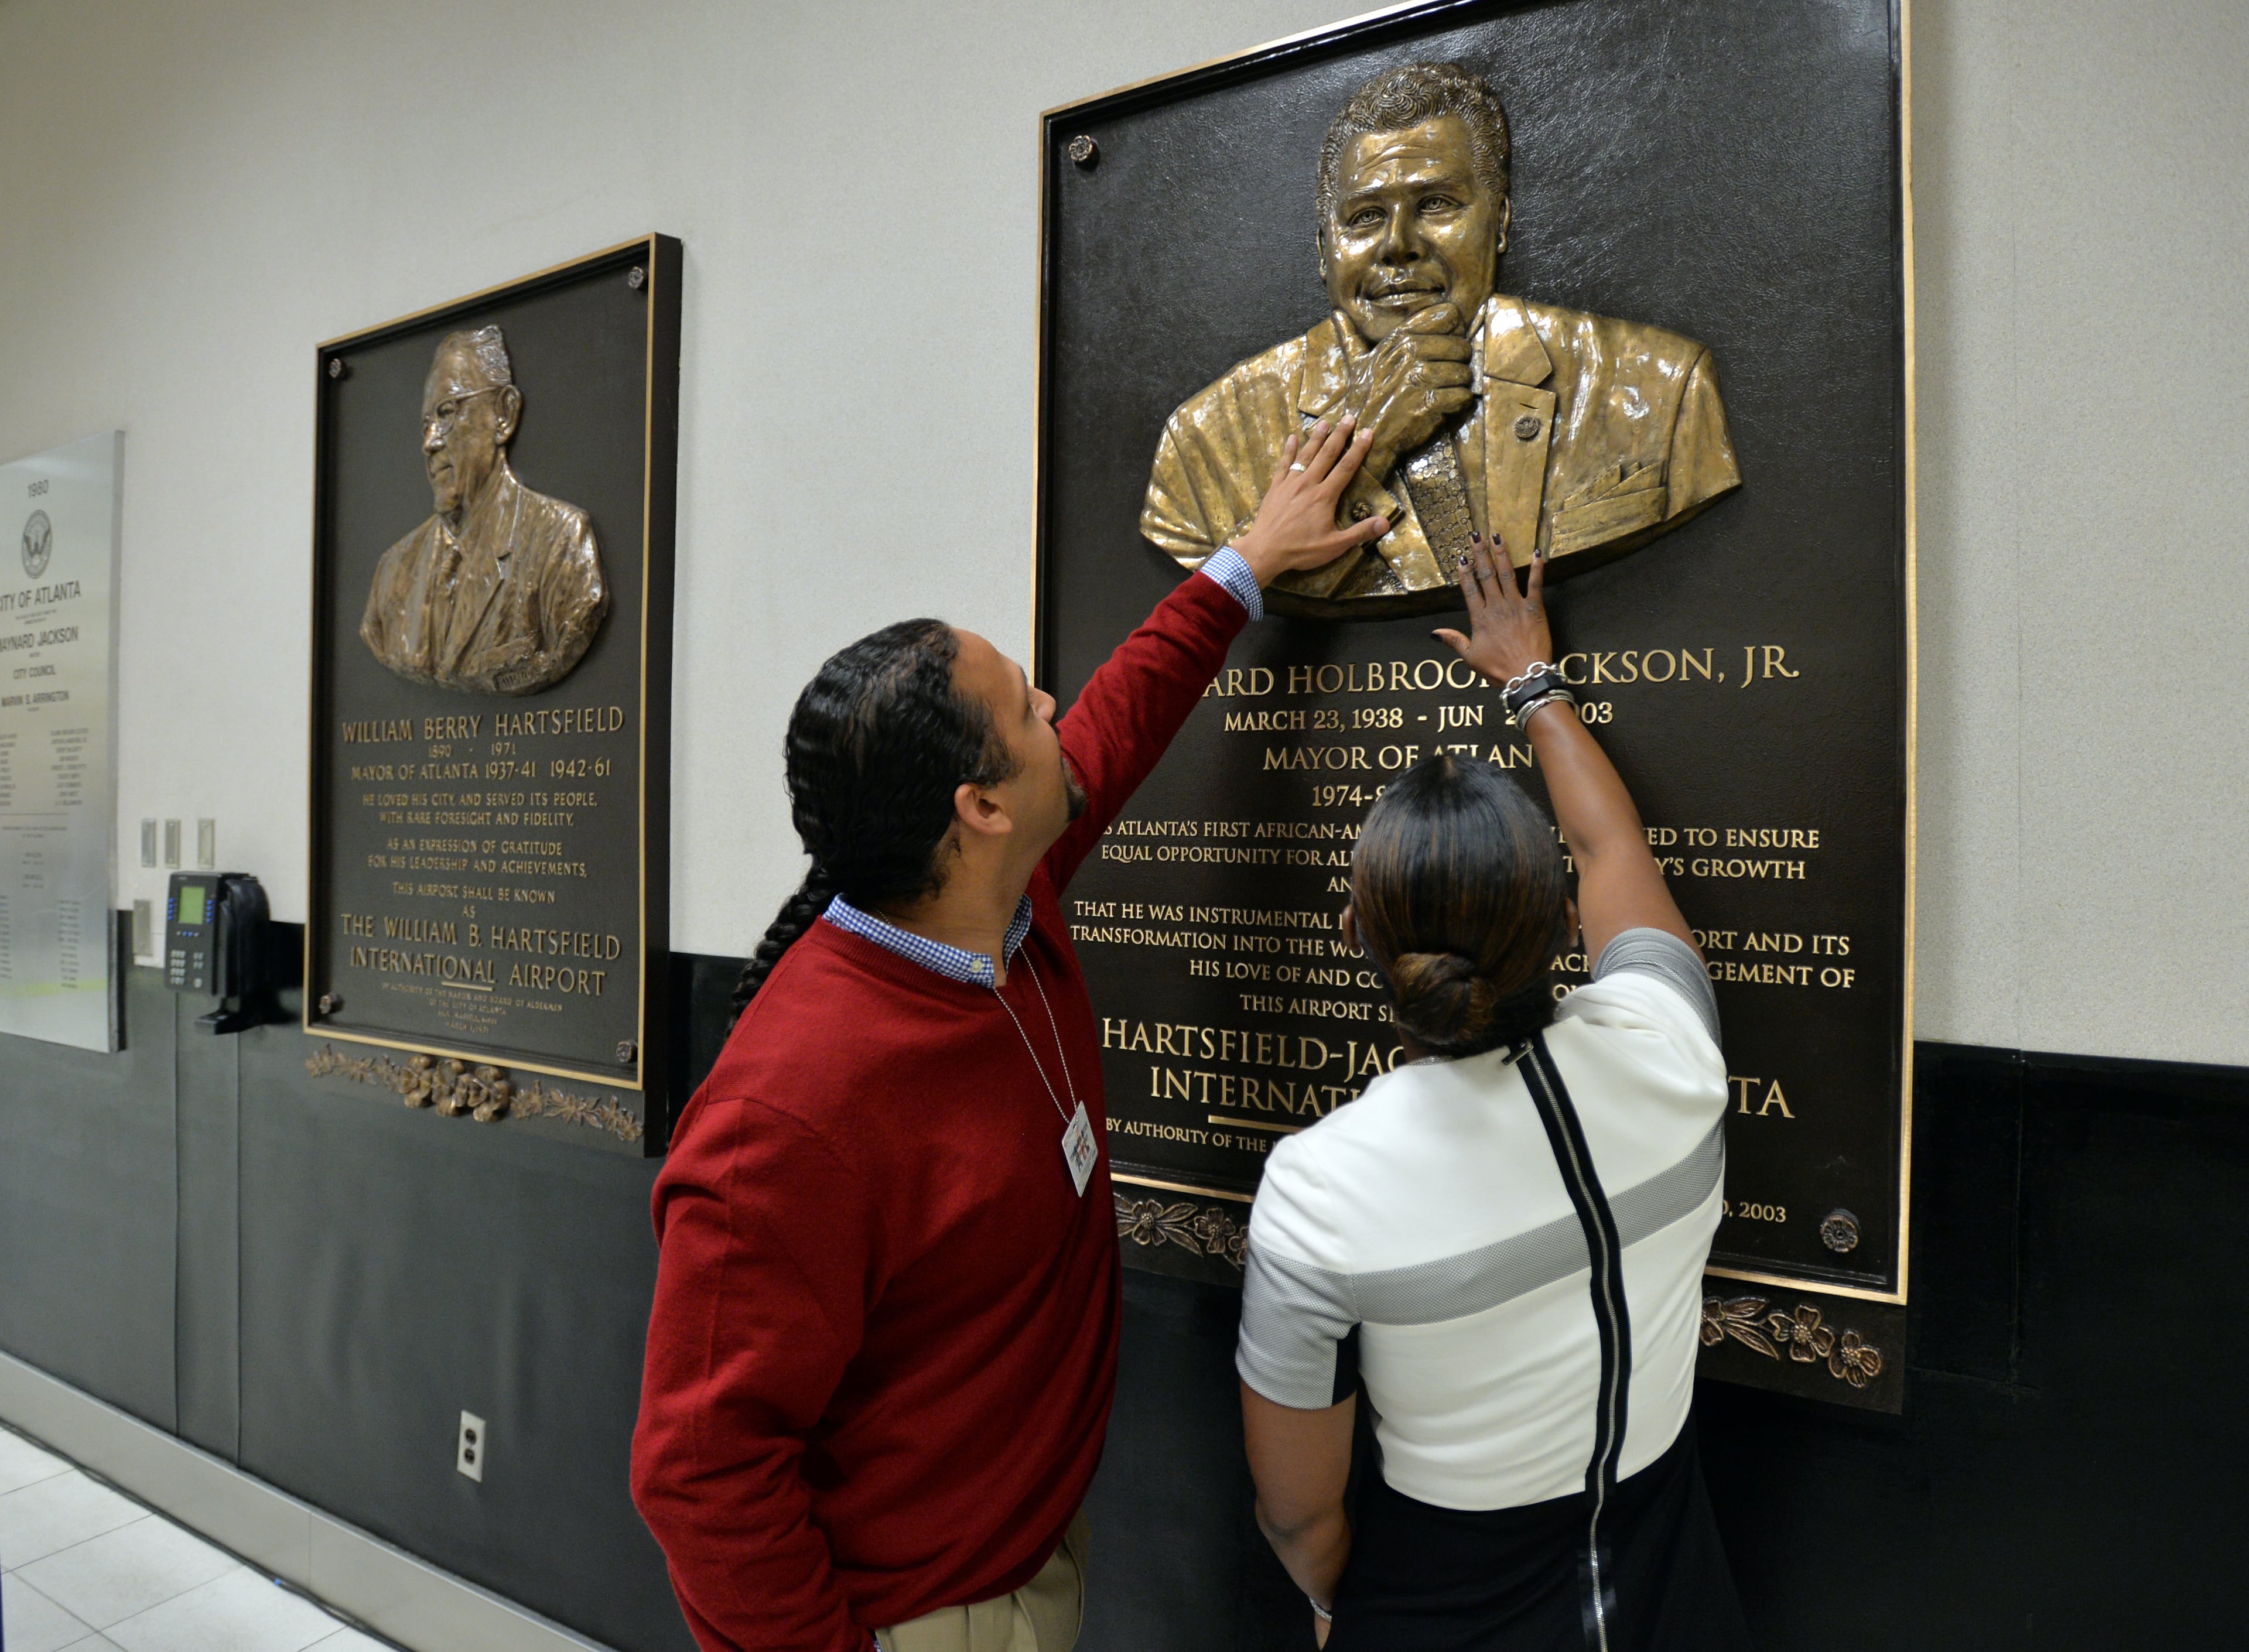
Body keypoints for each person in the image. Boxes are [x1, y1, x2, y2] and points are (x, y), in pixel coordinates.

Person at [631, 420, 1391, 1652]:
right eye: (1025, 708)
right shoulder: (786, 1116)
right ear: (979, 808)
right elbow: (699, 1473)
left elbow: (1113, 728)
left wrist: (1245, 564)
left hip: (1029, 1545)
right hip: (929, 1615)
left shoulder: (1000, 896)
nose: (1054, 704)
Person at [1236, 536, 1746, 1648]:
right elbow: (1612, 847)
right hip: (1669, 1582)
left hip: (1444, 1603)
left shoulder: (1318, 1189)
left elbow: (1298, 1506)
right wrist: (1533, 683)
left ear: (1353, 940)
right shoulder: (1671, 1053)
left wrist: (1337, 1602)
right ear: (1564, 926)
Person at [1141, 61, 1739, 613]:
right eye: (1365, 216)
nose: (1398, 243)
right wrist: (1366, 444)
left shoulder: (1661, 390)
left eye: (1435, 204)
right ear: (1325, 250)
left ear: (1500, 221)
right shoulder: (1199, 448)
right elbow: (1223, 612)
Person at [360, 325, 609, 695]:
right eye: (426, 424)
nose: (430, 443)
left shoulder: (561, 544)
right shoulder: (392, 574)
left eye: (447, 412)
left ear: (504, 414)